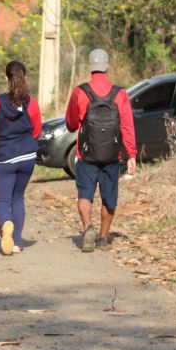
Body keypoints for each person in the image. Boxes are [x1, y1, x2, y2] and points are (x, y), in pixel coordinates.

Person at [64, 48, 137, 252]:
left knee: (84, 196)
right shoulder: (120, 93)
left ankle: (88, 227)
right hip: (113, 155)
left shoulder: (80, 92)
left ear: (90, 67)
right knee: (109, 198)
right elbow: (127, 126)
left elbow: (70, 124)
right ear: (107, 66)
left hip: (86, 155)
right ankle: (103, 237)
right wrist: (131, 154)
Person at [0, 61, 42, 256]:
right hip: (27, 156)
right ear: (25, 77)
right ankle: (16, 242)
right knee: (18, 197)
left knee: (4, 199)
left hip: (4, 157)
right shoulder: (33, 103)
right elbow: (36, 130)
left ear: (6, 78)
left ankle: (5, 225)